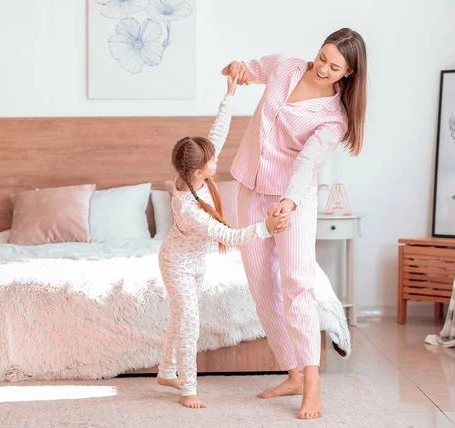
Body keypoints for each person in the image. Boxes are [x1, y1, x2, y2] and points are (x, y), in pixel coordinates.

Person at [221, 27, 368, 419]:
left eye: (334, 67)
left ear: (348, 73)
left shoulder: (333, 119)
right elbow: (251, 69)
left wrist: (287, 203)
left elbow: (305, 164)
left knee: (298, 285)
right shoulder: (286, 66)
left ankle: (312, 382)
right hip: (250, 185)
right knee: (259, 281)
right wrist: (238, 69)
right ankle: (292, 372)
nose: (322, 68)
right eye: (322, 57)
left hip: (293, 198)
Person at [156, 74, 290, 409]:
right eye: (212, 161)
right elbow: (230, 236)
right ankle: (188, 389)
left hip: (193, 261)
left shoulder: (193, 174)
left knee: (180, 316)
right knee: (189, 324)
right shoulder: (189, 210)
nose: (218, 161)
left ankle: (165, 370)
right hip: (177, 264)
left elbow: (218, 134)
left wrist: (229, 96)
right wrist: (267, 227)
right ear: (199, 171)